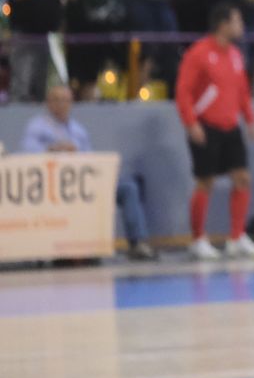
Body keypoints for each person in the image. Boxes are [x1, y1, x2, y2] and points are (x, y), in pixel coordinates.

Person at [22, 85, 159, 261]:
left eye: (65, 100)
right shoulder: (38, 127)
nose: (61, 104)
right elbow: (28, 152)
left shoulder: (78, 131)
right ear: (48, 103)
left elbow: (90, 159)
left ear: (71, 103)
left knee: (128, 187)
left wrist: (78, 156)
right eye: (56, 100)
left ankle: (137, 242)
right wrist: (52, 149)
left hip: (84, 184)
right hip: (54, 186)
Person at [176, 3, 254, 260]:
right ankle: (197, 239)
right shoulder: (199, 53)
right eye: (238, 21)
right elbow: (183, 91)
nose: (242, 27)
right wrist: (191, 122)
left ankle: (236, 238)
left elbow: (242, 90)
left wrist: (249, 119)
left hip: (230, 126)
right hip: (206, 126)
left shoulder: (236, 54)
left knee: (242, 178)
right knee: (205, 181)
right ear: (223, 24)